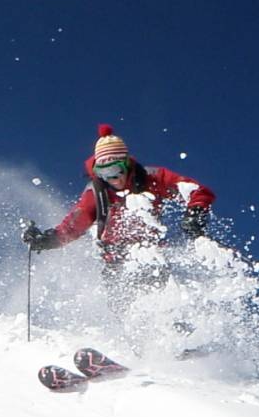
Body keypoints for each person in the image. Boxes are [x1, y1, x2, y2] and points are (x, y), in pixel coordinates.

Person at [22, 124, 216, 311]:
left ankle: (170, 337)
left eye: (116, 170)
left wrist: (195, 211)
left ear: (127, 164)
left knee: (158, 300)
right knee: (124, 306)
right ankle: (131, 339)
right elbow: (72, 227)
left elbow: (194, 190)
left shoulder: (152, 179)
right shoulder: (96, 194)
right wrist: (46, 240)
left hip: (149, 255)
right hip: (115, 260)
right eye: (104, 173)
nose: (113, 178)